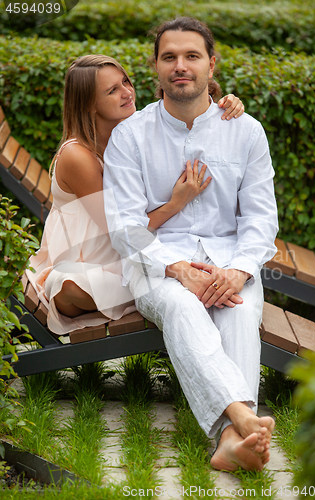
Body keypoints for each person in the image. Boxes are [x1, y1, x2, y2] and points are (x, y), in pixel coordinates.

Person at [103, 17, 279, 471]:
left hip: (229, 259)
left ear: (211, 64)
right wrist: (178, 268)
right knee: (182, 307)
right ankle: (242, 416)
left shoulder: (246, 131)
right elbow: (125, 226)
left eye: (192, 56)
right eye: (170, 57)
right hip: (157, 263)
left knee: (237, 309)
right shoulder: (129, 137)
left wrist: (239, 269)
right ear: (156, 67)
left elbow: (260, 218)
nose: (180, 66)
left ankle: (229, 442)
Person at [26, 54, 244, 334]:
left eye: (125, 82)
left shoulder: (131, 136)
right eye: (112, 90)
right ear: (89, 104)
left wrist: (220, 104)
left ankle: (188, 288)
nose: (127, 93)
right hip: (90, 263)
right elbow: (117, 230)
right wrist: (176, 203)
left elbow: (180, 118)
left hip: (131, 257)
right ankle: (185, 290)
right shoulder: (78, 156)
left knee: (184, 271)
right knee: (69, 287)